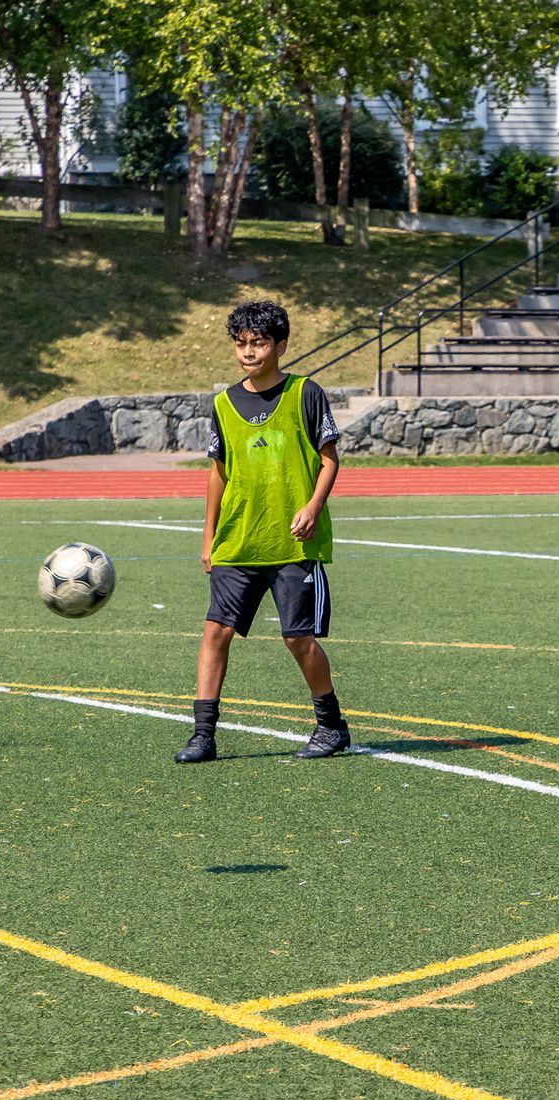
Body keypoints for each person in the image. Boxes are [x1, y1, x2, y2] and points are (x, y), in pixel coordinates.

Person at [176, 300, 351, 764]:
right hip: (239, 539)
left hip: (293, 542)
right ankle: (203, 734)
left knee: (298, 638)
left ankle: (331, 726)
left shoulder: (305, 394)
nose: (249, 352)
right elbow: (218, 472)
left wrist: (314, 505)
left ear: (280, 345)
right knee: (216, 631)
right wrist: (208, 534)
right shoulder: (223, 404)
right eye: (241, 343)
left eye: (258, 342)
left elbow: (330, 457)